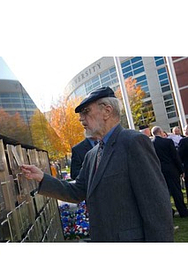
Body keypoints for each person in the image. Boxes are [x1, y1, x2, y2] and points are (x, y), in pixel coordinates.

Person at [22, 86, 174, 242]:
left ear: (107, 111)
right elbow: (77, 191)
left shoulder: (133, 142)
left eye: (86, 112)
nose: (81, 119)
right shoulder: (91, 155)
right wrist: (42, 178)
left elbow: (156, 206)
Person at [151, 126, 188, 218]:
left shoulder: (150, 144)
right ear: (160, 132)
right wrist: (181, 170)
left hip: (159, 170)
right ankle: (182, 211)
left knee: (164, 192)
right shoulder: (167, 142)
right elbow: (175, 157)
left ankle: (168, 212)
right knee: (176, 191)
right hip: (171, 169)